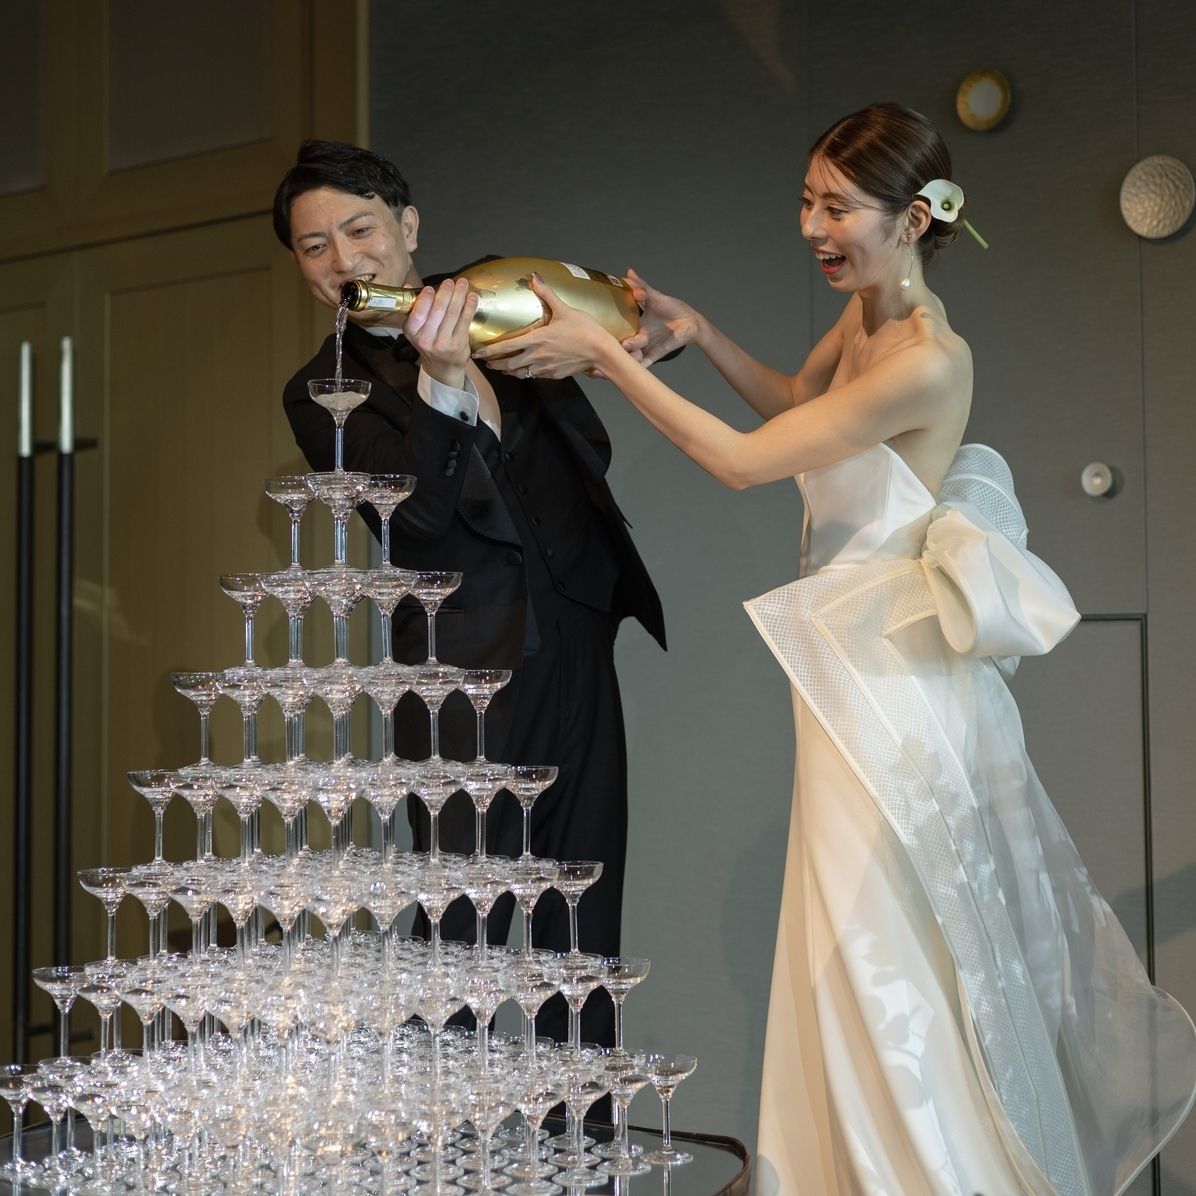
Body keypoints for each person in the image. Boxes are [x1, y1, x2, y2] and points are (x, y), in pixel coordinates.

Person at [476, 103, 1196, 1194]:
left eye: (838, 207)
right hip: (843, 667)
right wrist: (696, 332)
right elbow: (793, 406)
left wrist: (604, 359)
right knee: (845, 933)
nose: (813, 226)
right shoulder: (865, 318)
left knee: (881, 943)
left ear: (912, 219)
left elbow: (743, 461)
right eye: (807, 201)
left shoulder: (928, 360)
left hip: (891, 686)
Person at [273, 140, 666, 1048]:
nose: (344, 258)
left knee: (585, 922)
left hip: (577, 636)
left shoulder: (497, 297)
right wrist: (442, 379)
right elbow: (413, 524)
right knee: (461, 930)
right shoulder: (321, 391)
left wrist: (642, 339)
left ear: (407, 227)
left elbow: (598, 393)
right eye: (315, 246)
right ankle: (454, 1127)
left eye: (361, 230)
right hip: (461, 678)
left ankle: (583, 1128)